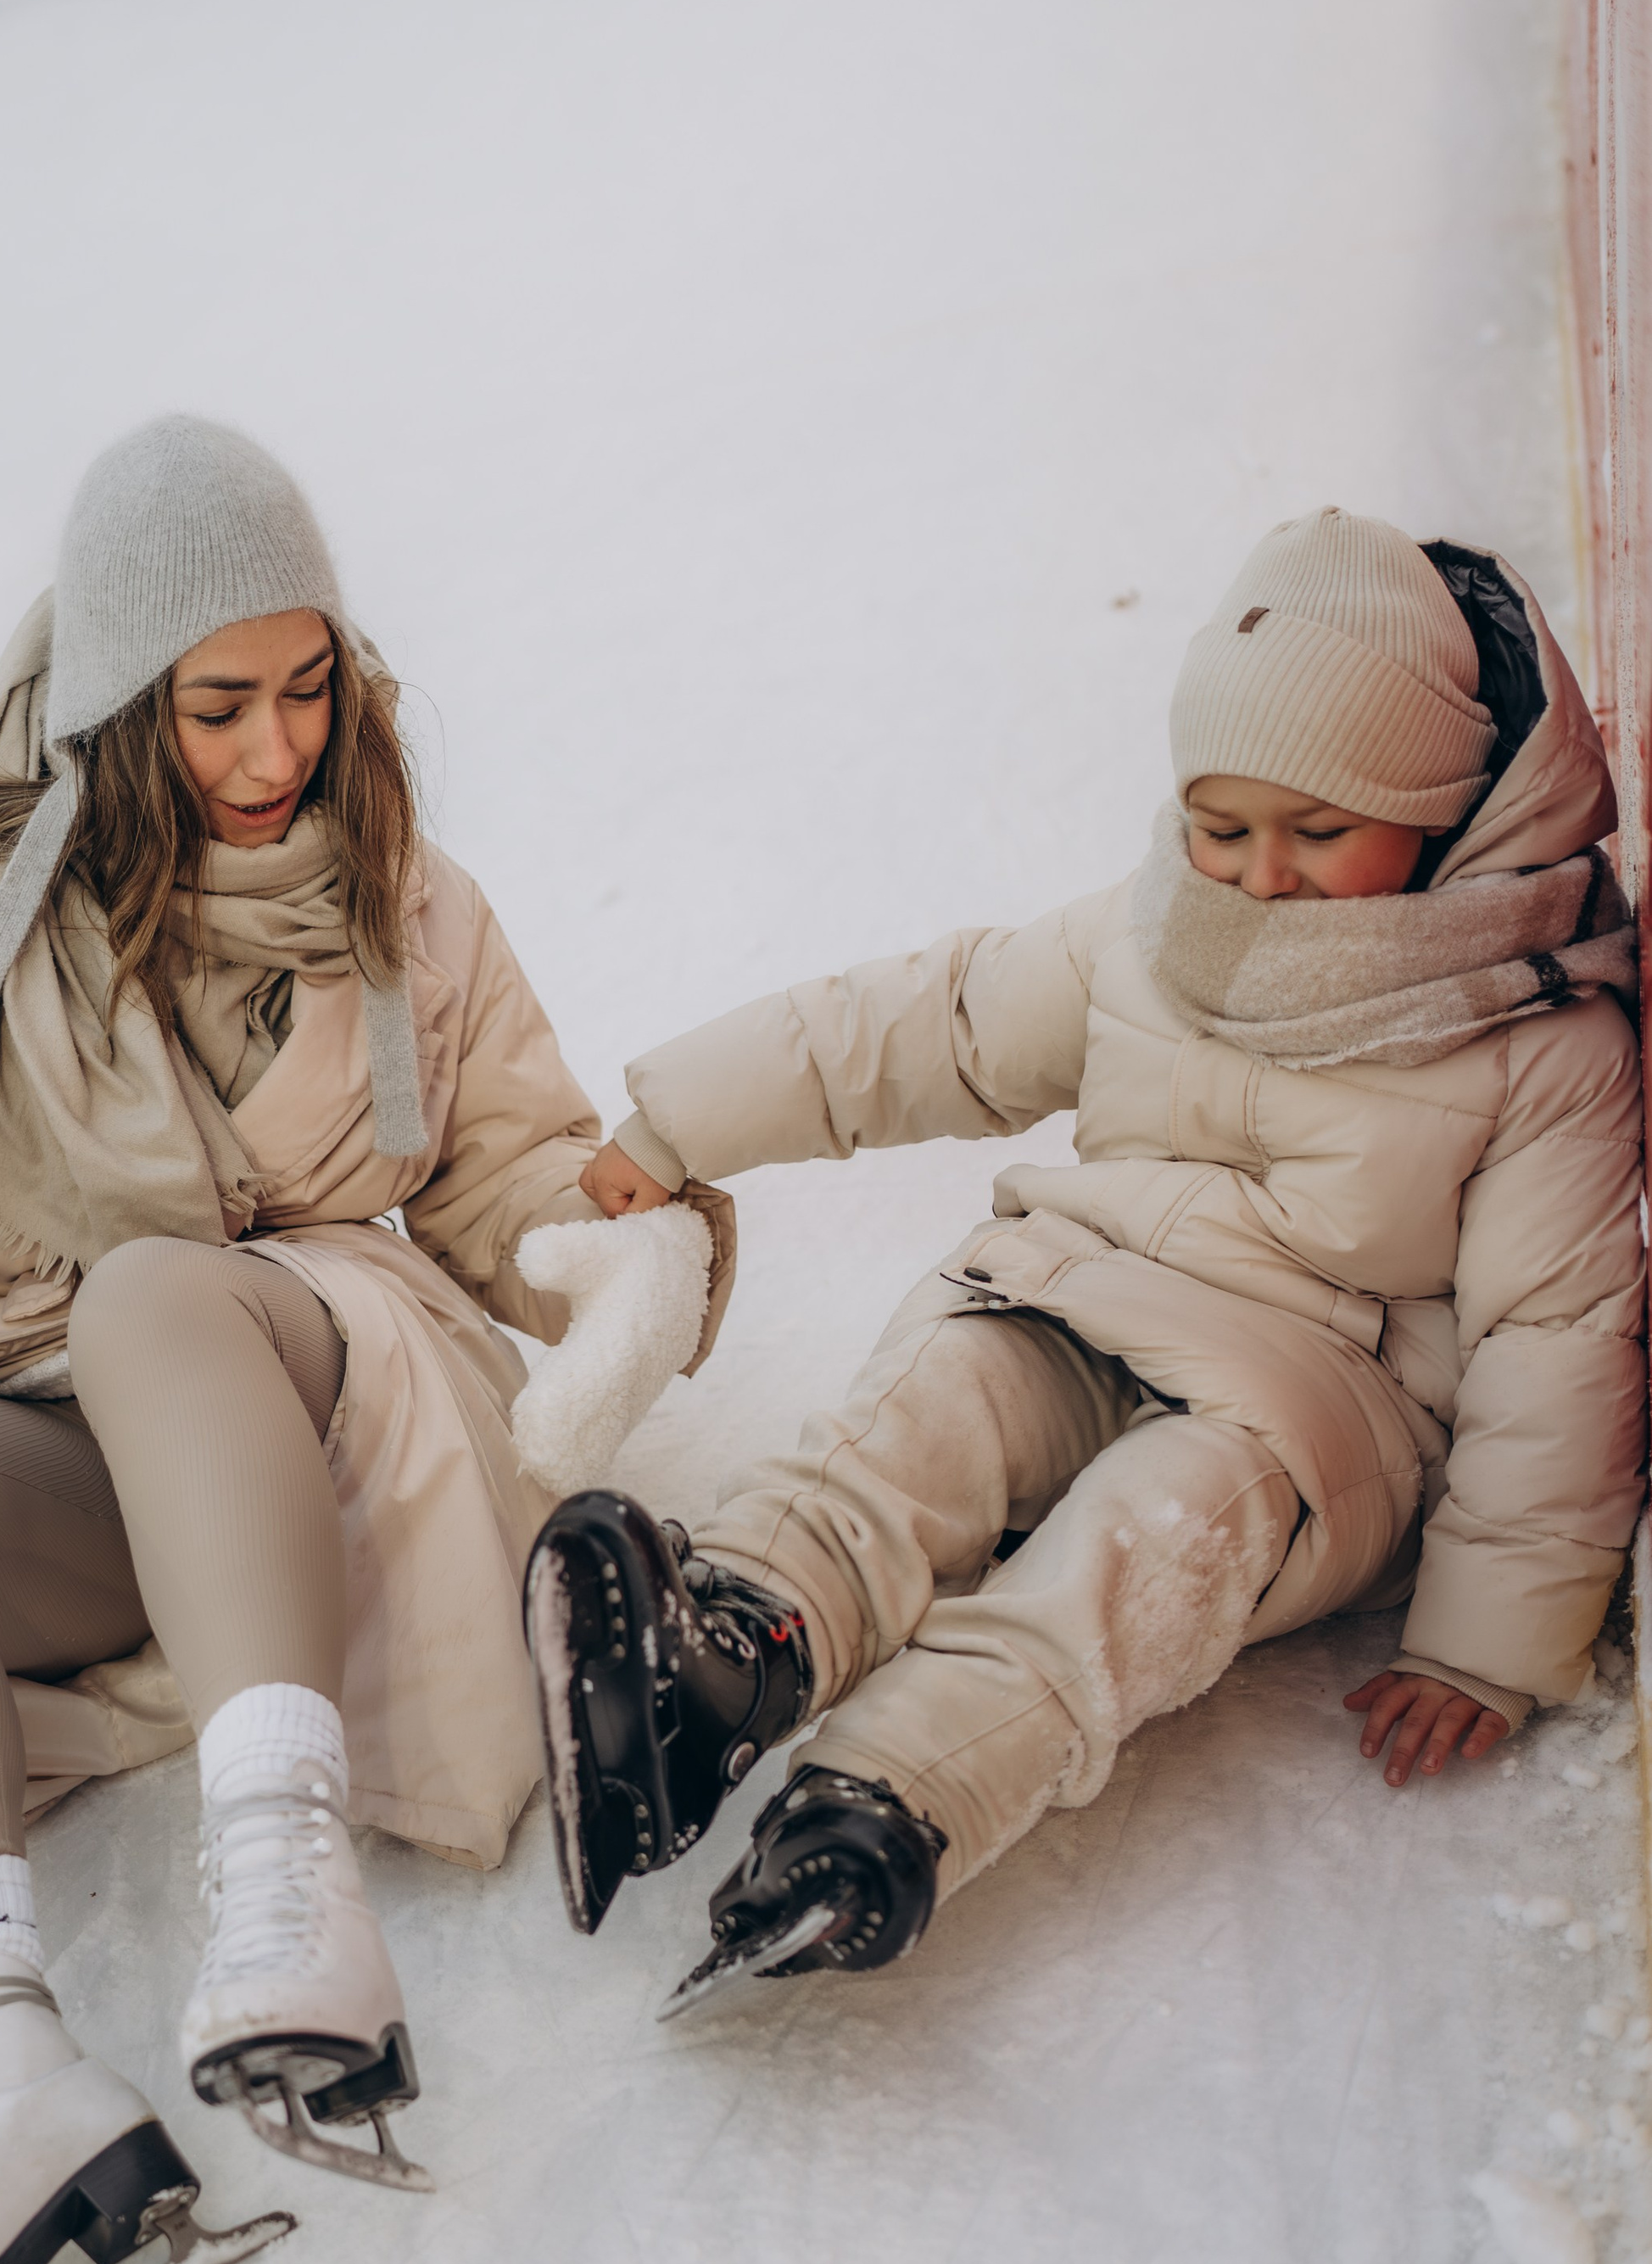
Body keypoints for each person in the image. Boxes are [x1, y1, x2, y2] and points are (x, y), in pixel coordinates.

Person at [0, 416, 727, 2264]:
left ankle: (284, 1888)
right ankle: (0, 2078)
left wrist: (602, 1257)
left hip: (319, 1392)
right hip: (80, 1430)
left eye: (308, 689)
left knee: (156, 1289)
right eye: (216, 705)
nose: (272, 750)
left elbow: (503, 1177)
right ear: (116, 697)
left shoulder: (405, 897)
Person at [527, 508, 1645, 2015]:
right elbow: (933, 1021)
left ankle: (883, 1809)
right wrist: (680, 1124)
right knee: (937, 1407)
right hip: (1081, 1298)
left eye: (1321, 833)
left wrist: (1492, 1638)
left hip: (1315, 1412)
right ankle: (725, 1654)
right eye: (1220, 826)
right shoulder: (1153, 932)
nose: (1259, 878)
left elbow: (1558, 1342)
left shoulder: (1538, 1033)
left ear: (1442, 810)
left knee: (1147, 1534)